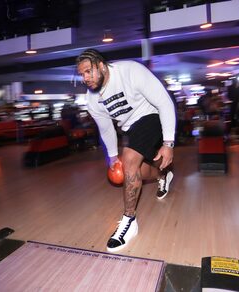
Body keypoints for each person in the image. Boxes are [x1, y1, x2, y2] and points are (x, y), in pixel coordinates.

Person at [76, 49, 176, 252]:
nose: (85, 78)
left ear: (101, 65)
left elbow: (164, 102)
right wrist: (112, 157)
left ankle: (129, 221)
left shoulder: (131, 71)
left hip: (152, 115)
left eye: (88, 71)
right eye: (82, 74)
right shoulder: (92, 100)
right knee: (133, 169)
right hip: (130, 127)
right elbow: (106, 128)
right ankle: (162, 176)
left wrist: (168, 143)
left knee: (129, 159)